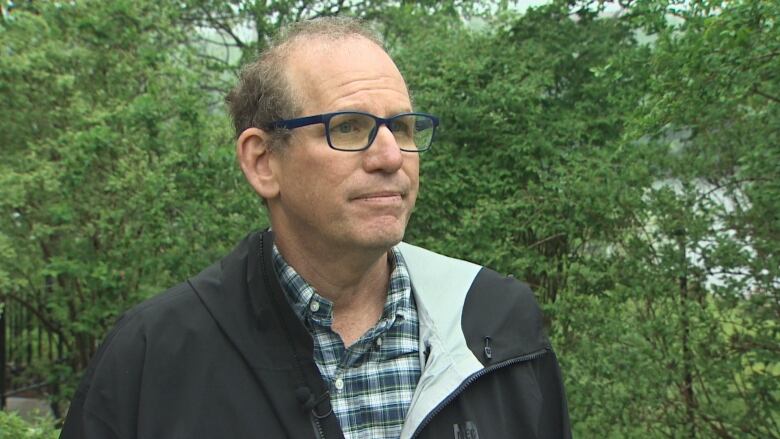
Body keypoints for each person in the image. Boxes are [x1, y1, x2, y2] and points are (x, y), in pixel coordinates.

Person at [60, 17, 570, 439]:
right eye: (349, 127)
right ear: (263, 162)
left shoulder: (495, 326)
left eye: (404, 127)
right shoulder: (155, 359)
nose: (391, 156)